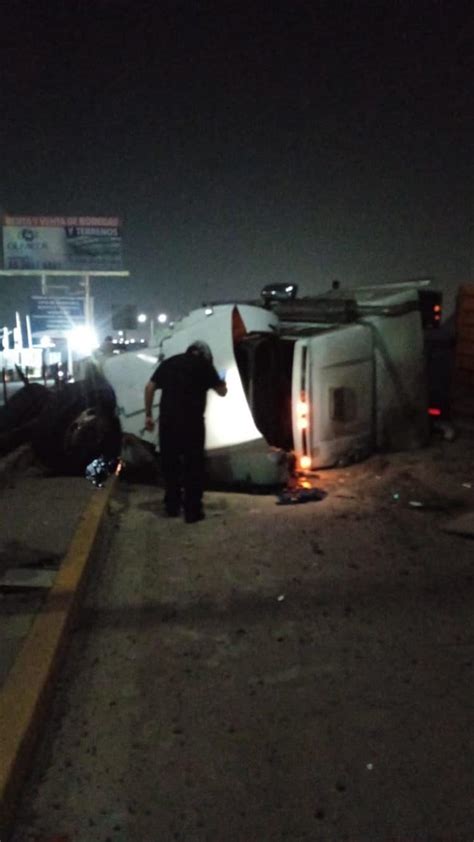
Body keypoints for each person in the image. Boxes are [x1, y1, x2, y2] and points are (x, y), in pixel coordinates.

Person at [144, 341, 227, 523]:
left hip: (168, 423)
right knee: (194, 467)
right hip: (193, 425)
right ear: (205, 355)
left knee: (170, 465)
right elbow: (222, 392)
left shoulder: (170, 363)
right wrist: (221, 380)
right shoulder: (205, 366)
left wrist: (148, 415)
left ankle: (172, 506)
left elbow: (149, 387)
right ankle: (192, 511)